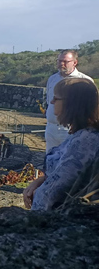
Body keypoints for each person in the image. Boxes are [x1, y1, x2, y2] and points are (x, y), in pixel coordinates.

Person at [23, 78, 99, 211]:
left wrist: (36, 203)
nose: (52, 102)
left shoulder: (84, 141)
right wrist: (39, 181)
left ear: (71, 103)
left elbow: (55, 190)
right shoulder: (83, 134)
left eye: (56, 98)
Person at [45, 50, 94, 153]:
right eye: (59, 61)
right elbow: (49, 101)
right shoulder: (52, 79)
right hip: (51, 128)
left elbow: (89, 107)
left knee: (69, 159)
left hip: (70, 129)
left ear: (75, 62)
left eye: (65, 61)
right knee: (50, 159)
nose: (61, 64)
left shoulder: (84, 80)